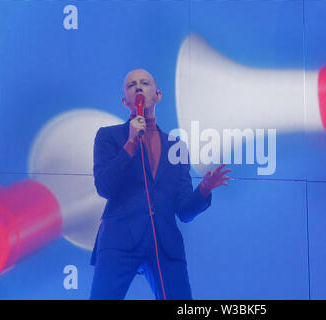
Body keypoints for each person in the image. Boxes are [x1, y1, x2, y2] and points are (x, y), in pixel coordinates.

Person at [89, 68, 230, 300]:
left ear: (158, 95)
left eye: (144, 83)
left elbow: (183, 211)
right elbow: (104, 186)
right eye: (131, 85)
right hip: (119, 239)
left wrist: (204, 188)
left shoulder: (177, 147)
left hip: (165, 244)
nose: (138, 87)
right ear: (125, 100)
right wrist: (130, 144)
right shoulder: (108, 137)